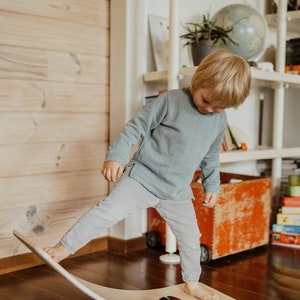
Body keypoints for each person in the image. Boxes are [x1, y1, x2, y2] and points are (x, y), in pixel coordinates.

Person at [43, 48, 251, 300]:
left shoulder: (219, 120)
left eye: (219, 108)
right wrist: (116, 156)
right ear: (199, 81)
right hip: (142, 178)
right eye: (207, 101)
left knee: (191, 239)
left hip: (176, 192)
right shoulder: (171, 101)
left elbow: (210, 156)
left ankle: (192, 282)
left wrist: (212, 186)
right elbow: (135, 128)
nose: (210, 110)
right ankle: (63, 248)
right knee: (105, 211)